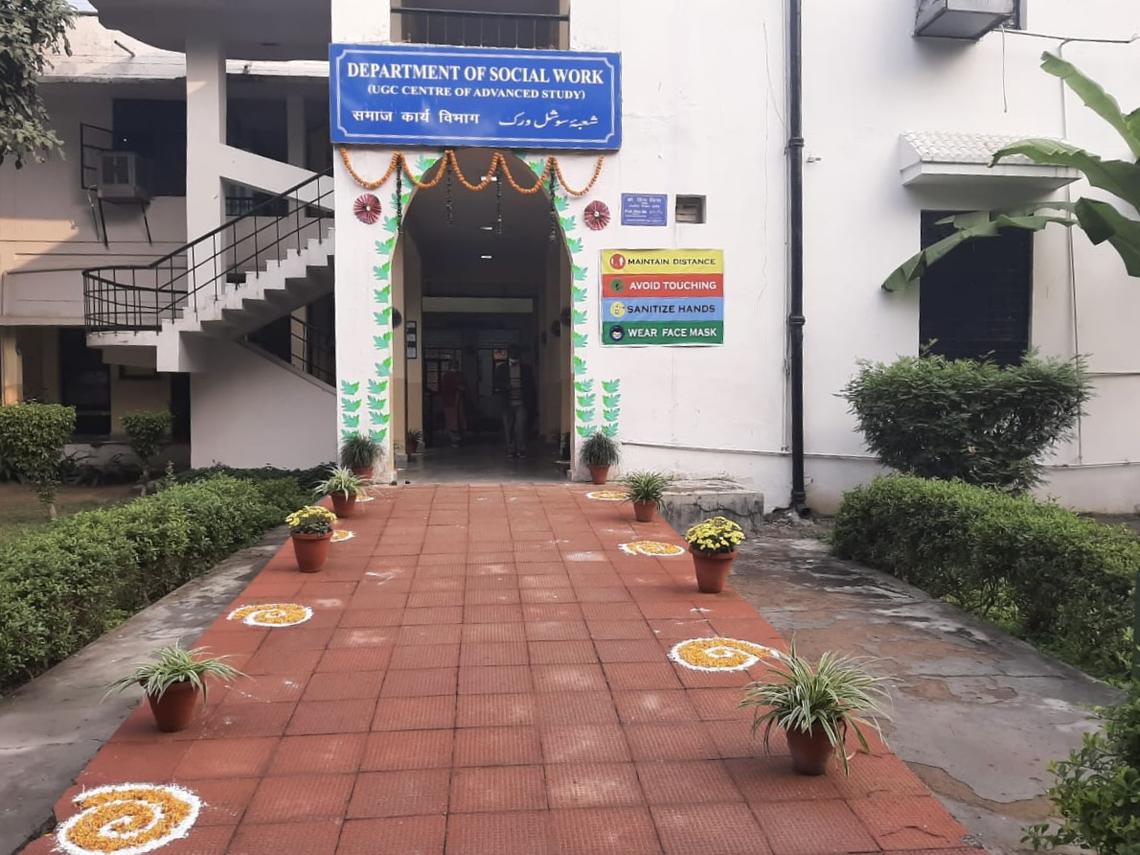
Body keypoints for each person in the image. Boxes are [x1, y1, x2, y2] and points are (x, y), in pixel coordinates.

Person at [493, 345, 535, 459]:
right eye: (512, 352)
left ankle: (521, 449)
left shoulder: (526, 368)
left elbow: (531, 386)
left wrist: (531, 403)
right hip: (507, 403)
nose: (514, 354)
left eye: (516, 352)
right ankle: (511, 450)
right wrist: (506, 386)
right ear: (508, 354)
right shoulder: (501, 368)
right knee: (508, 428)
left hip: (522, 403)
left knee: (520, 427)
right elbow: (497, 384)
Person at [439, 359, 466, 447]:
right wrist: (458, 388)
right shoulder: (448, 376)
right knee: (452, 421)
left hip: (458, 401)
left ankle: (458, 440)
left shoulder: (458, 375)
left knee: (458, 420)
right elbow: (447, 388)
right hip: (451, 402)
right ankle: (454, 440)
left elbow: (464, 385)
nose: (455, 366)